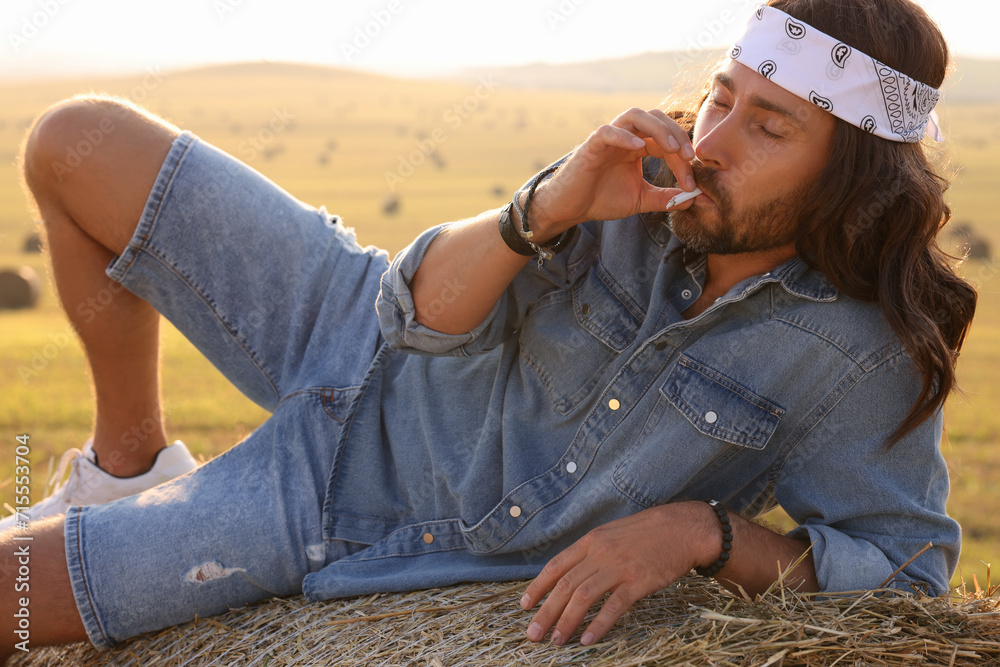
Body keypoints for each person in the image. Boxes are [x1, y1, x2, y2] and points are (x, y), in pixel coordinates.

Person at [0, 0, 977, 658]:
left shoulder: (857, 356)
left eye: (768, 130)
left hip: (347, 500)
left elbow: (902, 571)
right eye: (721, 96)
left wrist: (701, 531)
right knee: (76, 141)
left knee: (11, 596)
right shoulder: (634, 175)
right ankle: (128, 464)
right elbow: (413, 316)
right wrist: (544, 206)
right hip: (360, 323)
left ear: (850, 175)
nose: (712, 145)